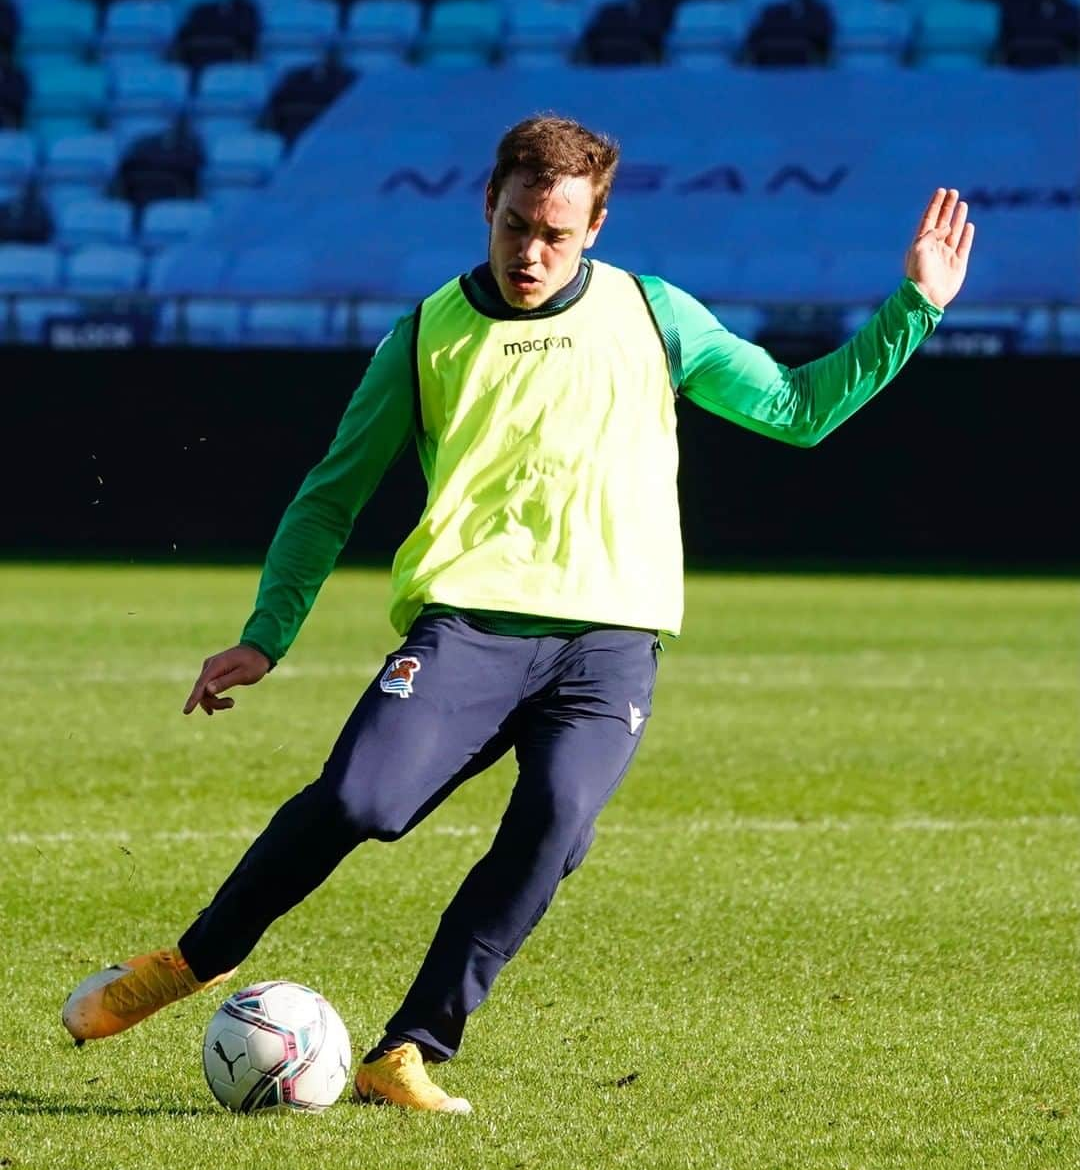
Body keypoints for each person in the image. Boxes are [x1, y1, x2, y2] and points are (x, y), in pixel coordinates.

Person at [63, 115, 975, 1113]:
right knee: (364, 800)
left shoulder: (653, 314)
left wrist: (915, 308)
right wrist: (266, 635)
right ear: (486, 208)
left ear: (596, 226)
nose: (531, 254)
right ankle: (188, 962)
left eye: (555, 234)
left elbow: (798, 411)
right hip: (468, 629)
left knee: (554, 825)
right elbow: (332, 495)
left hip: (610, 645)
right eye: (514, 227)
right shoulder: (424, 337)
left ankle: (406, 1050)